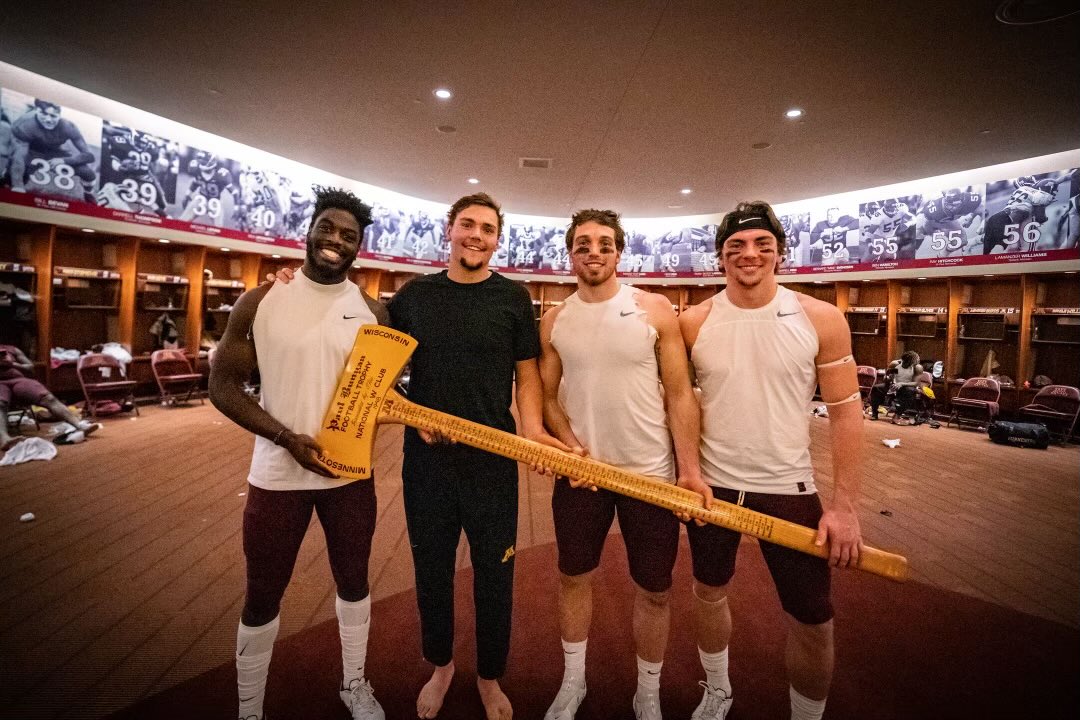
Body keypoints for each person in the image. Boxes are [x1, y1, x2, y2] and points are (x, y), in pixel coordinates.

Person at [381, 192, 569, 720]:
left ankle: (490, 676)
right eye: (468, 225)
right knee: (432, 570)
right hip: (427, 464)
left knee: (495, 574)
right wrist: (412, 416)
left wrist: (530, 428)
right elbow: (381, 371)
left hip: (493, 462)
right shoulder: (412, 298)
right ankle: (440, 667)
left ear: (497, 239)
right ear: (450, 229)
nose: (476, 236)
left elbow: (527, 374)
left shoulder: (512, 298)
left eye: (487, 229)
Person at [679, 201, 864, 720]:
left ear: (780, 254)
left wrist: (845, 506)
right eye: (735, 246)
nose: (749, 253)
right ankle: (717, 690)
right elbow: (681, 403)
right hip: (714, 487)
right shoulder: (694, 322)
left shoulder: (821, 319)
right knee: (708, 594)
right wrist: (689, 471)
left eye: (762, 244)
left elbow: (848, 416)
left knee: (813, 620)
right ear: (720, 257)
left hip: (792, 488)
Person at [209, 186, 389, 720]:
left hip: (349, 475)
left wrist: (421, 422)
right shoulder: (260, 300)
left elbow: (385, 393)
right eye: (328, 228)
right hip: (276, 474)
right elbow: (223, 385)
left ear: (359, 248)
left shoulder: (373, 310)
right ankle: (249, 708)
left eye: (349, 235)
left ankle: (354, 684)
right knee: (263, 593)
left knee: (355, 582)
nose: (336, 240)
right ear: (308, 230)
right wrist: (286, 438)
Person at [538, 209, 709, 720]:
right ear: (571, 253)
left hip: (650, 475)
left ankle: (648, 691)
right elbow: (548, 397)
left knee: (654, 590)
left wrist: (690, 470)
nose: (594, 251)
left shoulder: (653, 310)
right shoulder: (554, 319)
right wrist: (569, 446)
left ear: (619, 252)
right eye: (584, 243)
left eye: (605, 243)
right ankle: (573, 681)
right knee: (573, 577)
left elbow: (680, 395)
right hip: (582, 475)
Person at [0, 343, 101, 449]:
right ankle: (4, 439)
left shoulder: (12, 349)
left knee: (49, 398)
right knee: (0, 404)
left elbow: (30, 367)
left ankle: (79, 425)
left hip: (18, 380)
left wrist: (13, 364)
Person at [7, 99, 97, 203]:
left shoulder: (68, 127)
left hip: (55, 153)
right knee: (13, 179)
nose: (48, 120)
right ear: (36, 110)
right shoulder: (24, 125)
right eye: (43, 114)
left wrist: (63, 161)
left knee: (88, 173)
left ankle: (88, 195)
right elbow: (19, 157)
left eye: (53, 116)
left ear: (59, 115)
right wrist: (18, 186)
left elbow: (89, 156)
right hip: (31, 152)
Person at [867, 350, 923, 422]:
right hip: (893, 385)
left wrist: (901, 384)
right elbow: (888, 378)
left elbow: (915, 383)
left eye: (910, 363)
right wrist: (889, 379)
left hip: (907, 386)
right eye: (905, 362)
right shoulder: (895, 364)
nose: (907, 364)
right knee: (876, 388)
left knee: (910, 390)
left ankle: (897, 415)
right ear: (903, 360)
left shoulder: (917, 367)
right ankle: (874, 414)